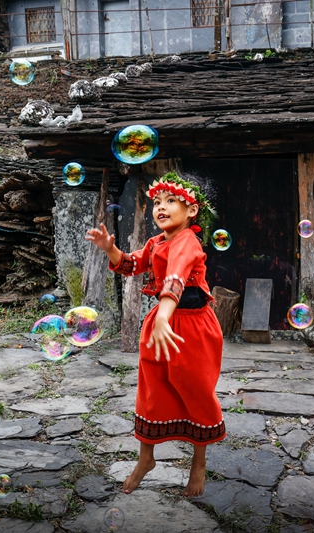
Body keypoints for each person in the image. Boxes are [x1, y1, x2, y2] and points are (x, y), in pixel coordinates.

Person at [85, 171, 225, 498]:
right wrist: (110, 249)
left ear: (192, 210)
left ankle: (198, 462)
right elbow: (132, 265)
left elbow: (176, 275)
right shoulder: (156, 242)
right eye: (157, 202)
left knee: (197, 392)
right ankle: (145, 459)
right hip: (161, 326)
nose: (160, 207)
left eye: (171, 201)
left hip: (192, 328)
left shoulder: (188, 241)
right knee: (152, 390)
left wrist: (164, 313)